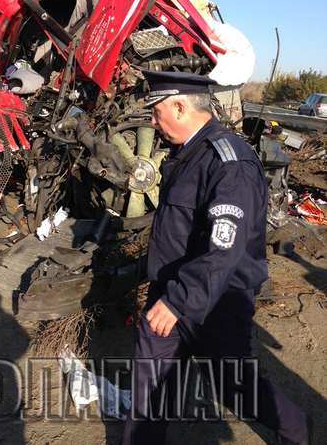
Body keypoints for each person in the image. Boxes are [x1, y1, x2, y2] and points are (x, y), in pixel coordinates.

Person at [122, 70, 311, 445]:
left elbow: (225, 247)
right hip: (174, 293)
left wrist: (178, 301)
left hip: (216, 301)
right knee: (150, 385)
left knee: (235, 385)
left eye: (156, 113)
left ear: (179, 106)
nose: (153, 123)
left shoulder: (229, 163)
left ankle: (295, 429)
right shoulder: (187, 154)